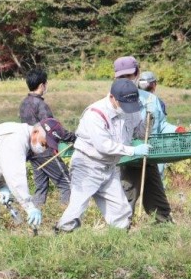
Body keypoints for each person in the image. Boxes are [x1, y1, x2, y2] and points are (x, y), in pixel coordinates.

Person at [56, 79, 151, 232]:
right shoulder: (95, 114)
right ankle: (62, 236)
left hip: (110, 167)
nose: (128, 109)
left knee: (120, 209)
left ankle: (120, 240)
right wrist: (133, 151)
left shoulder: (130, 110)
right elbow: (104, 146)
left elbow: (140, 132)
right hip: (87, 165)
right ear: (113, 97)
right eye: (124, 105)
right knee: (77, 207)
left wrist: (148, 119)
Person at [113, 57, 175, 223]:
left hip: (150, 156)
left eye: (129, 75)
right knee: (127, 199)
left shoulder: (150, 99)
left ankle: (165, 233)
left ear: (137, 74)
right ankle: (119, 236)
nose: (126, 80)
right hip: (129, 159)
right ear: (115, 77)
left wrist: (177, 130)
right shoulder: (112, 101)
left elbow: (161, 125)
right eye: (121, 77)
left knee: (158, 202)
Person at [19, 69, 74, 207]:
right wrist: (73, 137)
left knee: (41, 187)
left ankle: (36, 216)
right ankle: (67, 216)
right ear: (42, 85)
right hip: (46, 151)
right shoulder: (41, 105)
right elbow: (52, 129)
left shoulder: (24, 103)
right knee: (67, 183)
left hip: (32, 151)